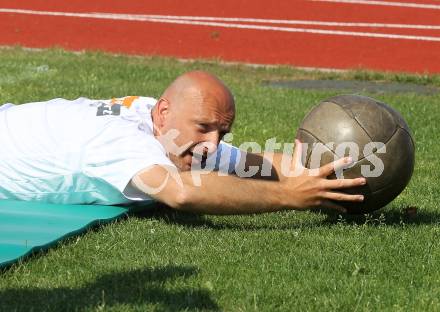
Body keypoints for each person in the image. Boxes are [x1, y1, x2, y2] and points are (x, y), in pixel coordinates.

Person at [0, 71, 365, 214]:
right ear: (162, 113)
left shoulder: (170, 127)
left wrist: (325, 172)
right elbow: (182, 193)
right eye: (204, 128)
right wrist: (289, 196)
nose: (211, 145)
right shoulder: (121, 140)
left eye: (220, 133)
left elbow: (250, 163)